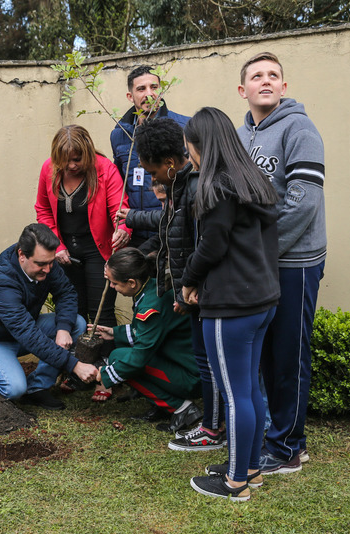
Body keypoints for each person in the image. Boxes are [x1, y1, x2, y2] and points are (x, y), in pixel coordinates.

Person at [181, 107, 280, 501]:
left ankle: (235, 482)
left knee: (235, 393)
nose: (189, 156)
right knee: (249, 390)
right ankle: (250, 466)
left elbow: (213, 245)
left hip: (231, 305)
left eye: (189, 148)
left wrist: (189, 279)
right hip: (261, 300)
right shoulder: (251, 179)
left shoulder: (217, 188)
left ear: (201, 145)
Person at [237, 52, 326, 472]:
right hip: (260, 262)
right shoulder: (240, 136)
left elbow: (303, 203)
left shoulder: (300, 129)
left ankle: (289, 447)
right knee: (265, 353)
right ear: (244, 90)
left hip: (295, 262)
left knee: (288, 353)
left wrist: (260, 253)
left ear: (284, 87)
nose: (266, 81)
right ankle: (274, 436)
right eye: (257, 76)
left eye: (274, 75)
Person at [121, 117, 219, 444]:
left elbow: (201, 244)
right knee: (207, 364)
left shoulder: (194, 188)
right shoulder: (181, 187)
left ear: (169, 164)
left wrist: (187, 285)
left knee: (211, 366)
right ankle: (212, 424)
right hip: (191, 294)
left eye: (152, 172)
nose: (152, 179)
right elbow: (168, 226)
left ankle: (213, 428)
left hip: (204, 294)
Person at [0, 224, 100, 410]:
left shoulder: (46, 262)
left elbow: (66, 292)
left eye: (51, 262)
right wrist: (74, 365)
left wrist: (63, 328)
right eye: (41, 264)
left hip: (21, 332)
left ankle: (37, 388)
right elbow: (26, 333)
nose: (48, 269)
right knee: (13, 389)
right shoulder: (2, 280)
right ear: (22, 255)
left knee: (76, 323)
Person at [90, 248, 200, 433]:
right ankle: (162, 406)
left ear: (132, 282)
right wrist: (114, 332)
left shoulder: (150, 305)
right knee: (122, 353)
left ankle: (182, 408)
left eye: (114, 283)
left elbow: (140, 357)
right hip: (183, 363)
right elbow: (150, 332)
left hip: (190, 376)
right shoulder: (152, 288)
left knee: (120, 358)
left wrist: (105, 374)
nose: (112, 287)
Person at [35, 125, 129, 332]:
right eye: (65, 160)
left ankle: (104, 361)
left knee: (101, 312)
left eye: (77, 159)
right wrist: (57, 247)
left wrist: (122, 228)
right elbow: (43, 210)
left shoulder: (105, 169)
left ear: (87, 152)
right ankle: (75, 360)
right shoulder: (48, 169)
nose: (71, 165)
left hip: (99, 250)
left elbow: (119, 208)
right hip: (65, 252)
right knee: (73, 310)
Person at [110, 65, 190, 248]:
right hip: (134, 230)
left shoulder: (183, 127)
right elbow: (120, 183)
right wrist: (123, 224)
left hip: (172, 227)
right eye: (141, 89)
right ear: (130, 96)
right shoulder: (120, 133)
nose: (149, 94)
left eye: (154, 87)